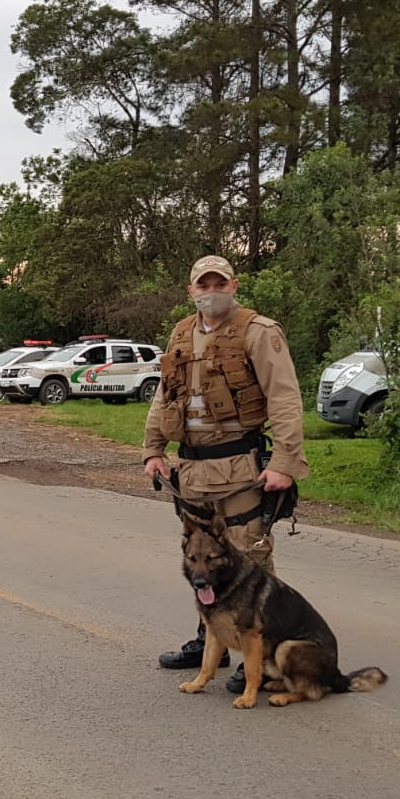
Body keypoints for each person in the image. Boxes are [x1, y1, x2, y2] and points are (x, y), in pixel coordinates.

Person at [143, 255, 308, 693]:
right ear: (191, 290)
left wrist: (285, 463)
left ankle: (259, 653)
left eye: (219, 282)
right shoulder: (181, 333)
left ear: (233, 286)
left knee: (249, 559)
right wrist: (153, 449)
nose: (210, 290)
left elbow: (285, 399)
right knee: (202, 559)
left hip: (241, 471)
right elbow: (165, 397)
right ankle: (209, 639)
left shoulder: (259, 332)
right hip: (192, 469)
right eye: (203, 284)